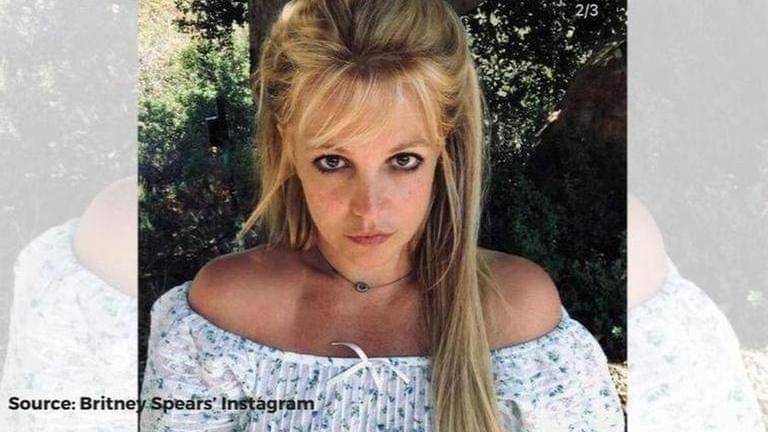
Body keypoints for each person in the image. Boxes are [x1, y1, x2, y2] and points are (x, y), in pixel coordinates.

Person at [140, 0, 623, 430]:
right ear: (288, 148)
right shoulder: (222, 320)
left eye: (403, 160)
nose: (369, 209)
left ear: (445, 145)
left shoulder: (518, 315)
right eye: (333, 161)